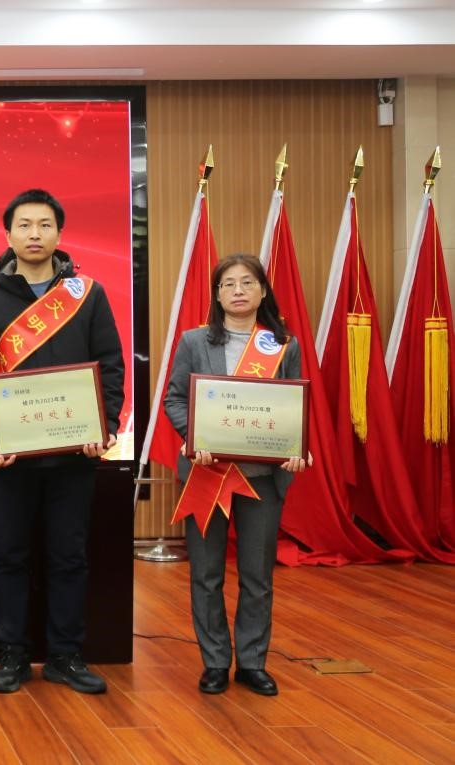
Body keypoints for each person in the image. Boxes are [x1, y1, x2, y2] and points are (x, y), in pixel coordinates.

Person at [0, 189, 124, 695]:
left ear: (59, 233)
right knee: (8, 556)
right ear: (8, 235)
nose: (34, 234)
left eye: (44, 225)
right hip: (9, 459)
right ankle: (12, 654)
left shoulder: (87, 295)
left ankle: (65, 656)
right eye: (24, 225)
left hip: (73, 455)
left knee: (69, 556)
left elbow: (111, 365)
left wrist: (105, 425)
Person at [164, 253, 309, 697]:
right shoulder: (194, 341)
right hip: (207, 475)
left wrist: (295, 448)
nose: (238, 290)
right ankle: (214, 663)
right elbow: (174, 399)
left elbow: (292, 407)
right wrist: (193, 436)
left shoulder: (282, 345)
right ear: (217, 294)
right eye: (228, 284)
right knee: (206, 574)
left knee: (257, 576)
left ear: (263, 291)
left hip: (261, 478)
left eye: (247, 282)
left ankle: (251, 663)